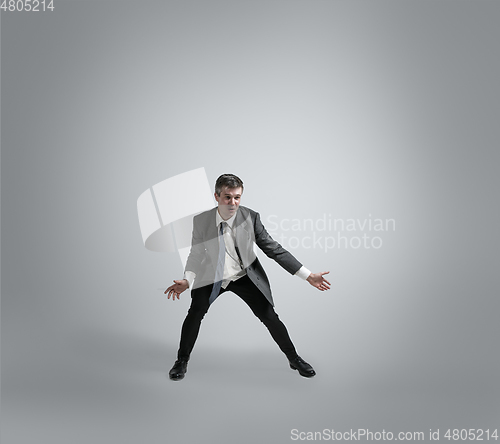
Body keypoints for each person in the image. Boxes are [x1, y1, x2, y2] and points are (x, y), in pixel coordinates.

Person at [164, 174, 330, 380]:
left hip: (244, 276)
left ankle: (294, 358)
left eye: (237, 197)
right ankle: (182, 361)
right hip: (211, 276)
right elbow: (196, 254)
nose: (233, 203)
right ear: (216, 196)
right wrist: (187, 280)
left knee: (269, 316)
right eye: (227, 197)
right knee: (195, 313)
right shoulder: (201, 220)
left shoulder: (251, 217)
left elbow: (273, 249)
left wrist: (307, 275)